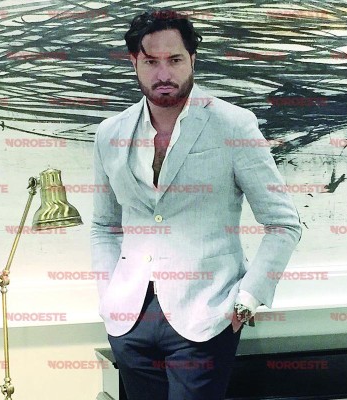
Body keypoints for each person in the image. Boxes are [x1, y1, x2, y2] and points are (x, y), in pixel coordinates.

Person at [90, 9, 301, 400]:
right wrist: (108, 295)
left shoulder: (233, 125)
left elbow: (283, 223)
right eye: (151, 62)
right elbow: (105, 226)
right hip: (129, 318)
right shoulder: (110, 133)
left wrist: (247, 299)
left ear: (192, 59)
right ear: (134, 62)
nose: (164, 73)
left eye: (175, 60)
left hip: (207, 314)